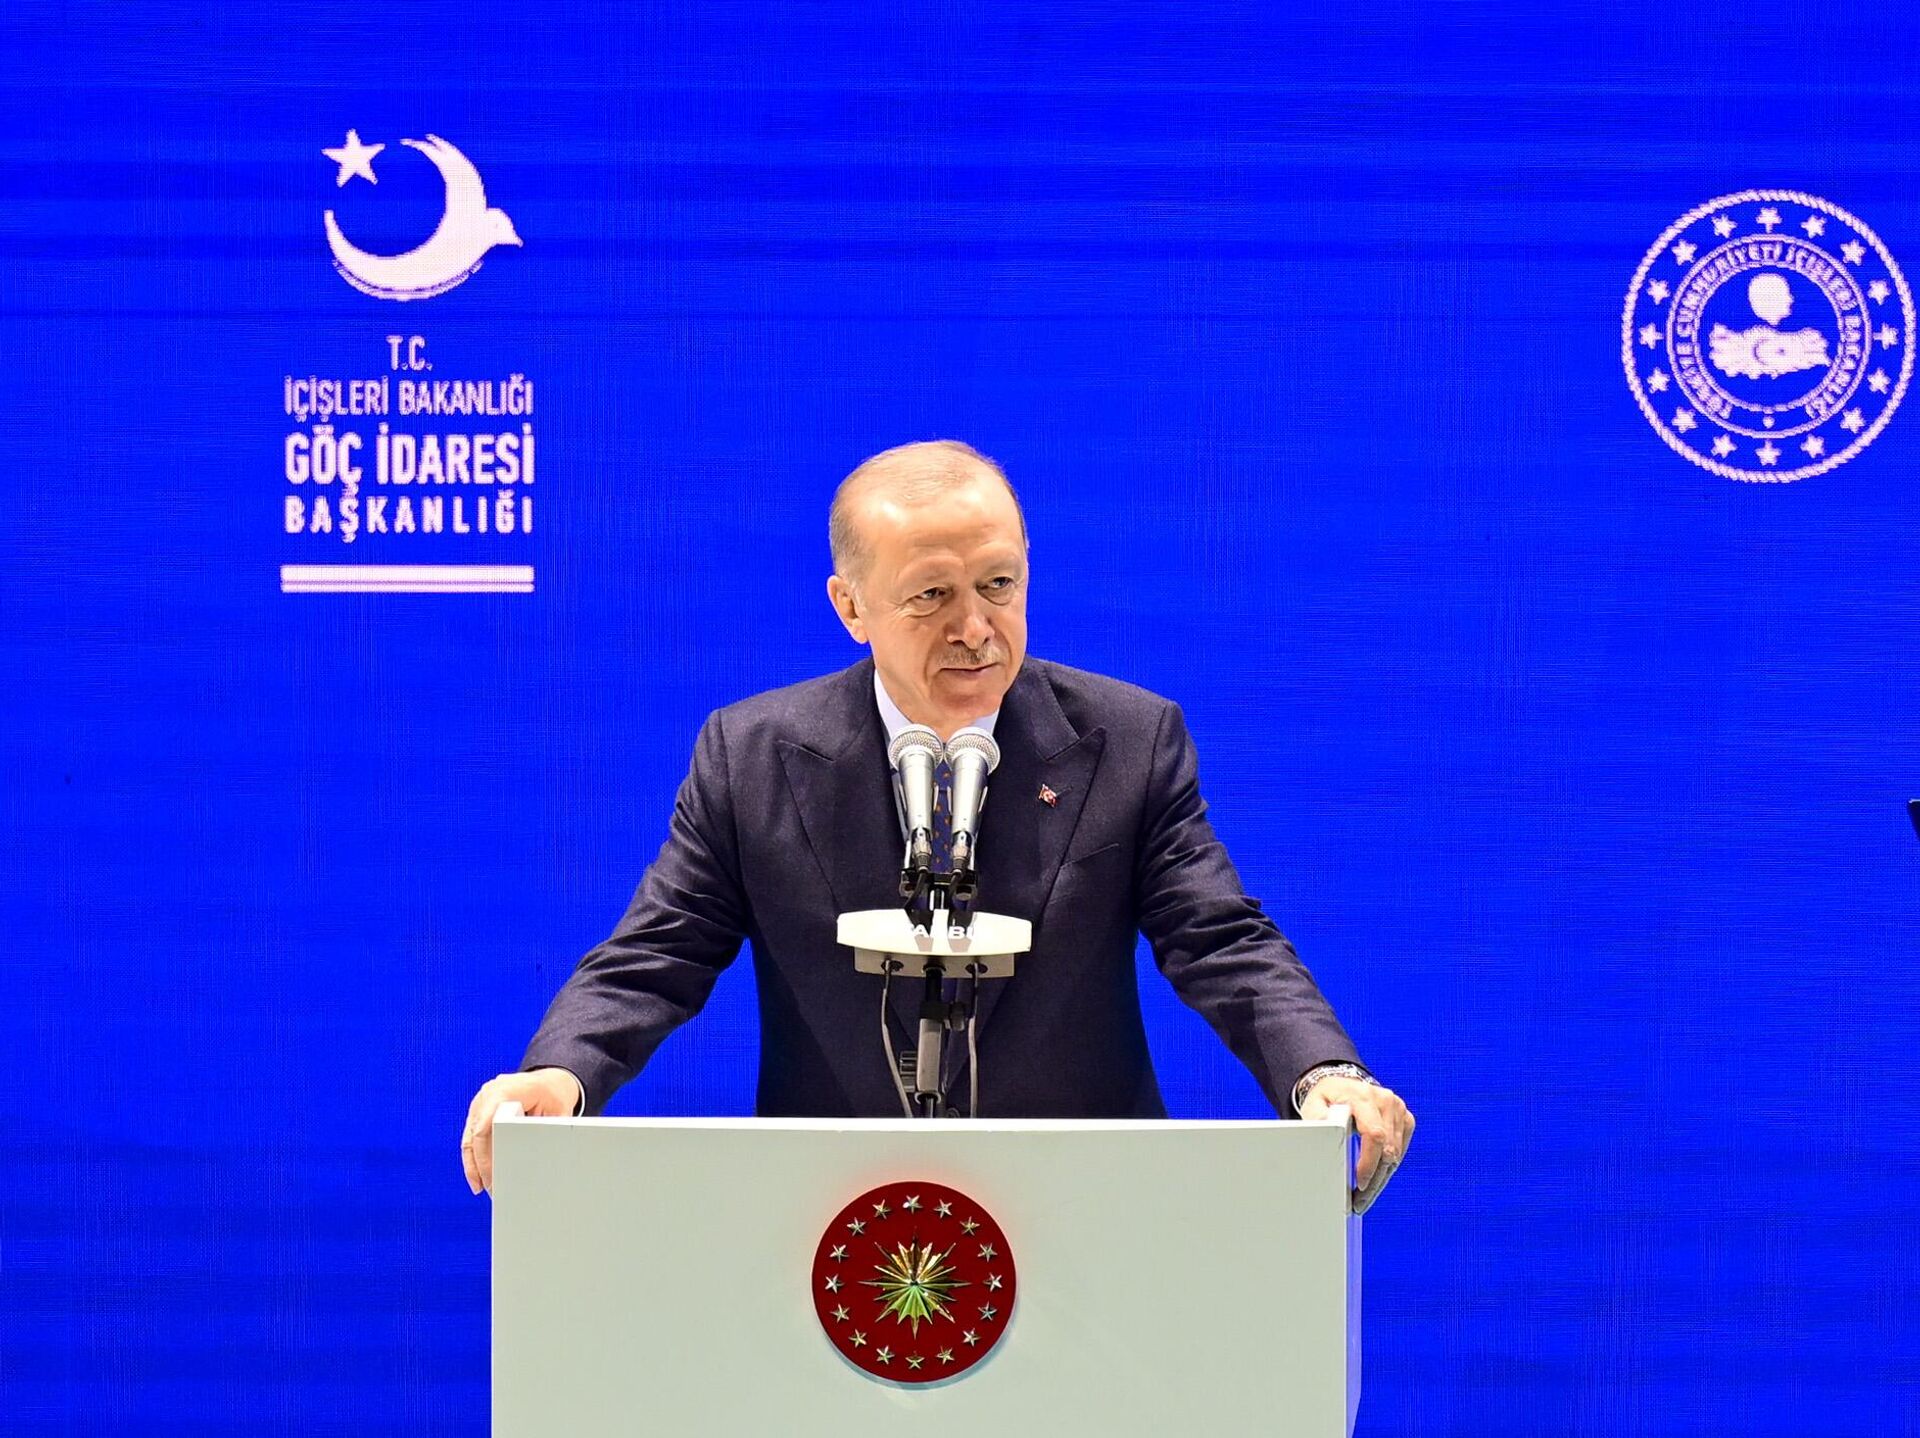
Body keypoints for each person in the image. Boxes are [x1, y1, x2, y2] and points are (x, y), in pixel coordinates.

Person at [462, 440, 1414, 1193]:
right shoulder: (751, 756)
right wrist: (560, 1074)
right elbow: (658, 951)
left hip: (1088, 1206)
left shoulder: (1128, 740)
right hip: (830, 1218)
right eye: (931, 596)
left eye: (999, 584)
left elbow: (1219, 938)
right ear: (851, 608)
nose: (975, 628)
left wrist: (1323, 1074)